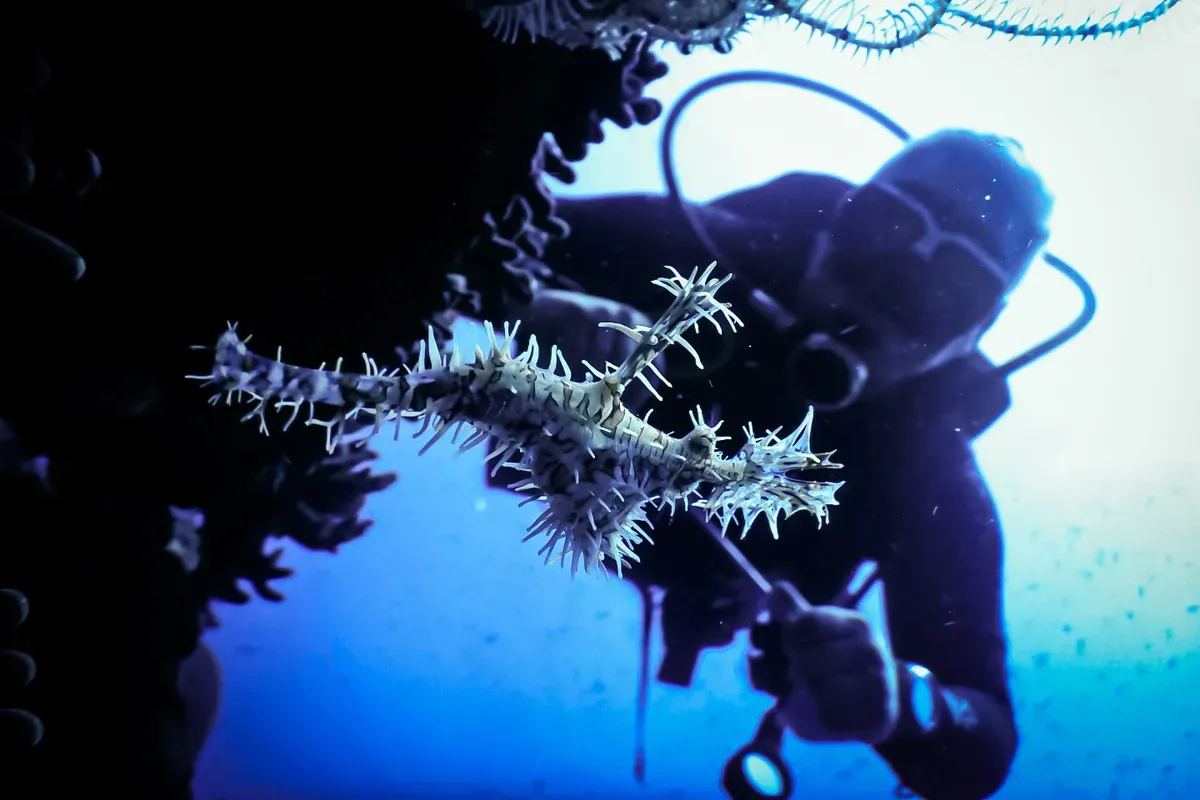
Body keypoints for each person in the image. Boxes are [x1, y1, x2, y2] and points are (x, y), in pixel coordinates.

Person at [487, 129, 1069, 799]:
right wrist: (519, 301)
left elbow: (980, 751)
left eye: (955, 282)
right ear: (840, 218)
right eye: (889, 224)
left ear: (976, 332)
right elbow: (465, 221)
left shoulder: (926, 470)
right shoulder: (694, 254)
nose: (896, 279)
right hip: (597, 488)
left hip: (736, 569)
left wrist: (906, 701)